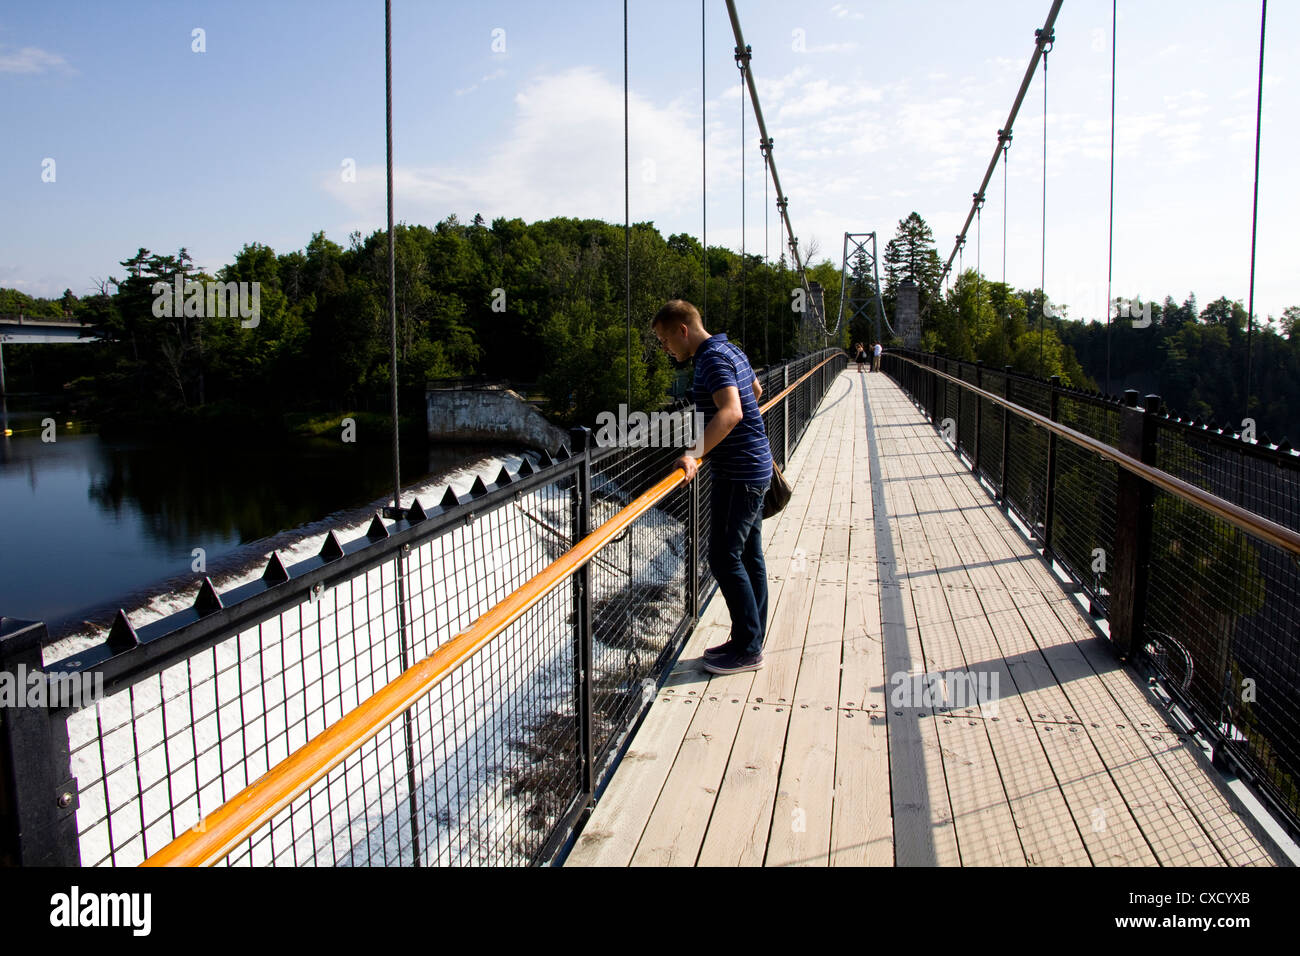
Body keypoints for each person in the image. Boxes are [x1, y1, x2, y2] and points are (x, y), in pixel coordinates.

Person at [651, 299, 771, 675]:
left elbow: (733, 410)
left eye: (665, 340)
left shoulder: (710, 358)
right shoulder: (730, 348)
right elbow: (756, 390)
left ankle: (748, 648)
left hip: (738, 474)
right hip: (754, 467)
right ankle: (749, 639)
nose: (665, 349)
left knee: (723, 557)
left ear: (682, 330)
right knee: (749, 556)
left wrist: (693, 453)